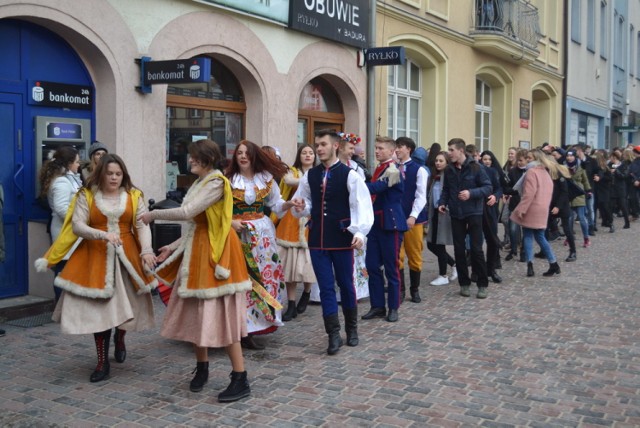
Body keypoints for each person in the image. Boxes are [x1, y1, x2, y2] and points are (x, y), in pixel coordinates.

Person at [141, 139, 252, 402]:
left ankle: (240, 377)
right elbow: (195, 225)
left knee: (223, 317)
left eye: (193, 157)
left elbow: (188, 212)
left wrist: (153, 214)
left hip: (216, 255)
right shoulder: (202, 182)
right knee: (195, 313)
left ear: (206, 159)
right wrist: (171, 246)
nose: (189, 161)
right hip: (198, 252)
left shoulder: (215, 182)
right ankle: (202, 368)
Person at [35, 154, 157, 383]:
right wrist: (102, 235)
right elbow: (78, 225)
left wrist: (147, 250)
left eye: (118, 174)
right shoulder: (86, 194)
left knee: (127, 306)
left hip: (126, 257)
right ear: (101, 173)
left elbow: (141, 225)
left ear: (124, 175)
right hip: (95, 257)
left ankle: (120, 337)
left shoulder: (134, 195)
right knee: (101, 312)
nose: (114, 177)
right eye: (109, 173)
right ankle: (102, 362)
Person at [290, 129, 373, 355]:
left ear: (335, 146)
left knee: (346, 285)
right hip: (317, 239)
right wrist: (301, 207)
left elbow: (362, 207)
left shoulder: (351, 175)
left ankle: (352, 329)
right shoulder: (311, 175)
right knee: (326, 288)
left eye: (323, 144)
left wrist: (359, 233)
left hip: (342, 238)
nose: (319, 148)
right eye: (317, 144)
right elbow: (306, 202)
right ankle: (333, 334)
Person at [226, 140, 291, 350]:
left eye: (247, 153)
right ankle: (238, 328)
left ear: (255, 156)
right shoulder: (228, 180)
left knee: (263, 277)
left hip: (262, 237)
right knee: (241, 280)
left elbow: (276, 205)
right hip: (236, 235)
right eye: (239, 153)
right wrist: (230, 222)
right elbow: (217, 210)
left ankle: (254, 326)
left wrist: (289, 204)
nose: (243, 156)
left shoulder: (267, 180)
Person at [437, 138, 492, 299]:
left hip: (474, 212)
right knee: (459, 251)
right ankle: (464, 283)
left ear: (461, 151)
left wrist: (471, 193)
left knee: (476, 250)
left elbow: (487, 187)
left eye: (451, 150)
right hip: (456, 214)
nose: (449, 153)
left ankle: (482, 284)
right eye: (448, 150)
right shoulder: (449, 170)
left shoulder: (476, 168)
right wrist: (442, 202)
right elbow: (446, 190)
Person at [362, 136, 407, 322]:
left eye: (381, 148)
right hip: (376, 224)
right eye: (376, 147)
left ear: (391, 151)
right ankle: (378, 305)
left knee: (391, 268)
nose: (377, 151)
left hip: (391, 224)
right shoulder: (380, 168)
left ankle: (393, 307)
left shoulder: (393, 170)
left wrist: (353, 184)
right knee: (372, 266)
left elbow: (376, 188)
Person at [277, 144, 317, 321]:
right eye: (304, 153)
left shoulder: (320, 172)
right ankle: (291, 303)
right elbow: (287, 181)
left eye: (311, 153)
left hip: (311, 220)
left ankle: (307, 293)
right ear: (299, 155)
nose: (308, 156)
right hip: (292, 222)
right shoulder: (292, 172)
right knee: (289, 264)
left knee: (309, 262)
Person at [38, 146, 83, 301]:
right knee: (63, 271)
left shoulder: (68, 179)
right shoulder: (62, 182)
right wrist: (82, 219)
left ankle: (67, 306)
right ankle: (61, 307)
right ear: (69, 163)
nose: (79, 165)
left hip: (71, 231)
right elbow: (61, 209)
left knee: (68, 270)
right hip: (65, 231)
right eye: (77, 162)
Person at [511, 149, 560, 277]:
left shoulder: (531, 172)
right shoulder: (545, 172)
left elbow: (529, 193)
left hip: (532, 207)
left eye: (529, 158)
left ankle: (530, 265)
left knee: (528, 236)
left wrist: (521, 209)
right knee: (540, 236)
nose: (527, 160)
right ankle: (553, 263)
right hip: (543, 208)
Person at [395, 137, 428, 303]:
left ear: (408, 149)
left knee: (414, 255)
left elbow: (421, 196)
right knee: (397, 255)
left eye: (400, 147)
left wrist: (413, 215)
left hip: (413, 219)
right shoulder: (392, 168)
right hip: (396, 218)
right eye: (396, 146)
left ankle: (414, 289)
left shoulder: (419, 170)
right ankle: (400, 289)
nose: (397, 149)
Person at [426, 152, 457, 285]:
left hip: (444, 213)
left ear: (447, 163)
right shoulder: (434, 177)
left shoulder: (449, 176)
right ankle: (454, 265)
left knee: (439, 244)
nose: (438, 163)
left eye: (441, 161)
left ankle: (443, 275)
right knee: (431, 244)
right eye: (437, 160)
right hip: (434, 213)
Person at [479, 150, 505, 283]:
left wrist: (495, 196)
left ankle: (491, 269)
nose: (487, 161)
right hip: (478, 208)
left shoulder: (495, 172)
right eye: (484, 159)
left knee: (492, 239)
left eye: (489, 159)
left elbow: (500, 188)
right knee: (476, 241)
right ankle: (479, 269)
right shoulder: (477, 171)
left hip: (491, 209)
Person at [503, 148, 528, 262]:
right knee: (513, 229)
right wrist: (514, 191)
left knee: (526, 231)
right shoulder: (513, 172)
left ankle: (524, 251)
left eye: (521, 160)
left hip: (527, 206)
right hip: (515, 204)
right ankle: (513, 250)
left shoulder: (531, 171)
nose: (519, 162)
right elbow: (507, 187)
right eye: (518, 160)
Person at [565, 149, 592, 247]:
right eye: (568, 156)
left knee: (581, 218)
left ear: (575, 157)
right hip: (568, 194)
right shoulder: (563, 166)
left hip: (579, 193)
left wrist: (588, 190)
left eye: (571, 156)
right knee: (569, 218)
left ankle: (586, 238)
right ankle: (569, 237)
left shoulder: (580, 167)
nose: (569, 158)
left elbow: (585, 180)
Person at [593, 150, 614, 232]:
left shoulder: (605, 167)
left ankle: (610, 223)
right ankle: (593, 224)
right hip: (595, 190)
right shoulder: (593, 168)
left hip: (604, 190)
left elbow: (610, 178)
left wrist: (601, 178)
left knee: (605, 207)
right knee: (594, 208)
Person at [609, 151, 630, 229]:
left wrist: (616, 171)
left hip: (621, 189)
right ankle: (611, 224)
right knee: (610, 207)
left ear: (615, 157)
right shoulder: (610, 165)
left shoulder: (624, 165)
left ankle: (627, 222)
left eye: (611, 157)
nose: (610, 159)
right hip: (612, 189)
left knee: (623, 206)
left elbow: (624, 176)